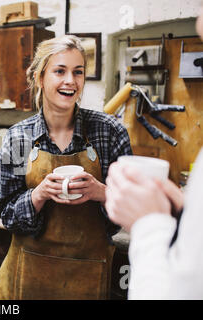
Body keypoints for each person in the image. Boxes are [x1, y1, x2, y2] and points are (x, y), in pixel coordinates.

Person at [0, 35, 132, 300]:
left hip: (88, 277)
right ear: (38, 77)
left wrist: (101, 192)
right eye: (60, 71)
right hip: (27, 278)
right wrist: (38, 195)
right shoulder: (18, 137)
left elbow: (132, 210)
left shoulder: (110, 131)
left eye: (78, 72)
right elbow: (7, 215)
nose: (70, 81)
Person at [104, 8, 203, 300]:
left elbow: (179, 291)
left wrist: (148, 223)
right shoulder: (20, 134)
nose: (199, 20)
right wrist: (182, 210)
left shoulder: (109, 128)